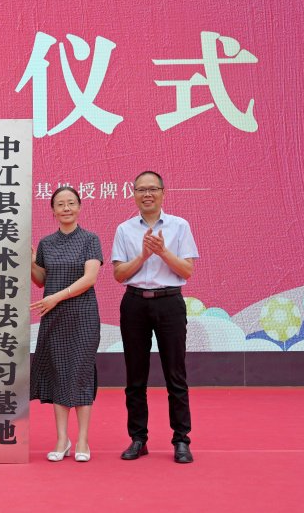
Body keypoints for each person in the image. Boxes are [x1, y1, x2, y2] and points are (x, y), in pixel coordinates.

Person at [111, 171, 198, 464]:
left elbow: (187, 271)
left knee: (176, 375)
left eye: (152, 189)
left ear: (163, 192)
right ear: (133, 194)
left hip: (170, 303)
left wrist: (162, 252)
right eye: (141, 190)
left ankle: (181, 439)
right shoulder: (124, 229)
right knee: (135, 376)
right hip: (134, 303)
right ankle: (138, 439)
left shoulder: (179, 226)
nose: (147, 194)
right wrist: (143, 256)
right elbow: (119, 274)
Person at [30, 186, 103, 463]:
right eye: (60, 204)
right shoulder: (46, 243)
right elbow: (41, 280)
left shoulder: (90, 240)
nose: (66, 208)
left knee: (81, 373)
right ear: (53, 210)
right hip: (54, 317)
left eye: (71, 203)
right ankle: (62, 439)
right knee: (59, 372)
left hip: (83, 315)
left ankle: (83, 439)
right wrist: (28, 260)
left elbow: (89, 279)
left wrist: (56, 297)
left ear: (79, 207)